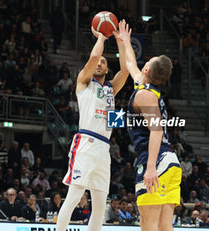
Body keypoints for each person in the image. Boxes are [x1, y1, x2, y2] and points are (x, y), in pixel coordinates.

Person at [56, 20, 129, 231]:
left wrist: (122, 43)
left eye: (104, 63)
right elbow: (94, 56)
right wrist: (101, 38)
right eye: (98, 62)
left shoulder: (110, 89)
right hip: (86, 143)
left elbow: (124, 71)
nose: (99, 64)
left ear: (107, 69)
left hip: (103, 148)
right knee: (73, 197)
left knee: (99, 203)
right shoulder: (83, 82)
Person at [119, 22, 182, 231]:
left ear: (147, 69)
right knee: (164, 225)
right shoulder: (147, 89)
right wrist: (125, 41)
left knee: (148, 224)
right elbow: (130, 64)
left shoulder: (145, 95)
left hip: (156, 160)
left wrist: (151, 167)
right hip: (169, 160)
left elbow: (156, 130)